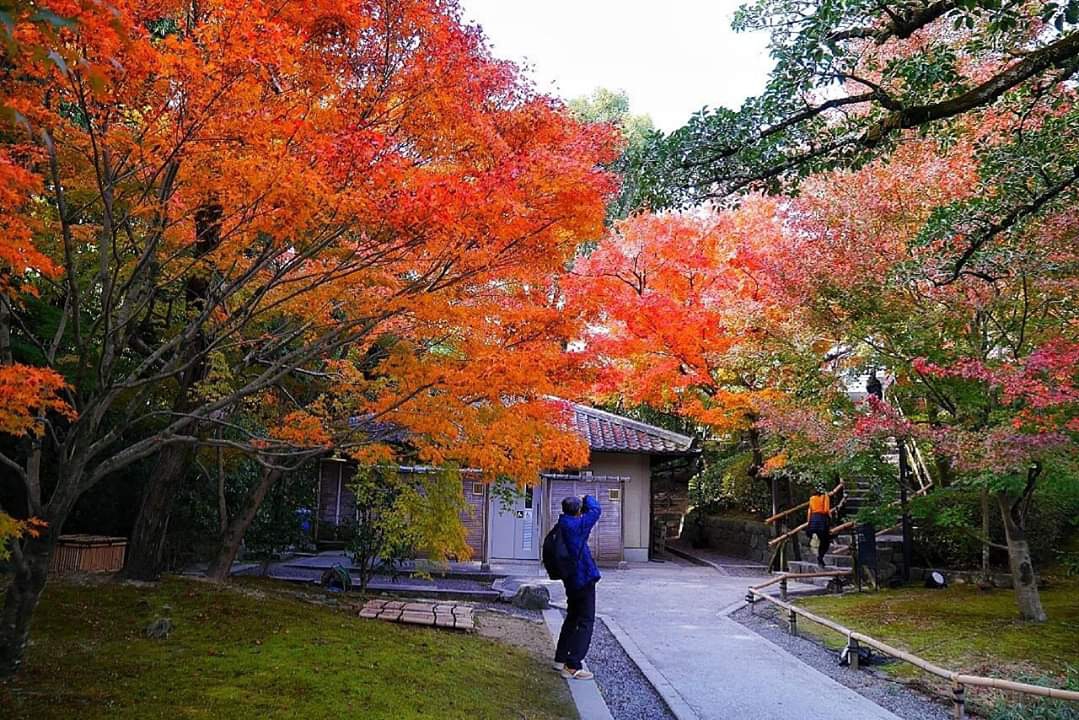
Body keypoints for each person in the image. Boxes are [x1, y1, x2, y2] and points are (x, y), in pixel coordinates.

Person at [553, 494, 601, 680]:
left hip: (571, 579)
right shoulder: (578, 526)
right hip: (583, 579)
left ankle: (560, 659)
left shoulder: (562, 524)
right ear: (579, 511)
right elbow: (596, 510)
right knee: (586, 620)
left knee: (572, 617)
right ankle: (572, 665)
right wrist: (587, 497)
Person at [806, 485, 832, 568]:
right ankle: (820, 558)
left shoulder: (812, 498)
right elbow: (826, 510)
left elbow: (809, 511)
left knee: (818, 539)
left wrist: (808, 522)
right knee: (825, 541)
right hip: (822, 519)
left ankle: (819, 558)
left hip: (813, 519)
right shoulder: (825, 497)